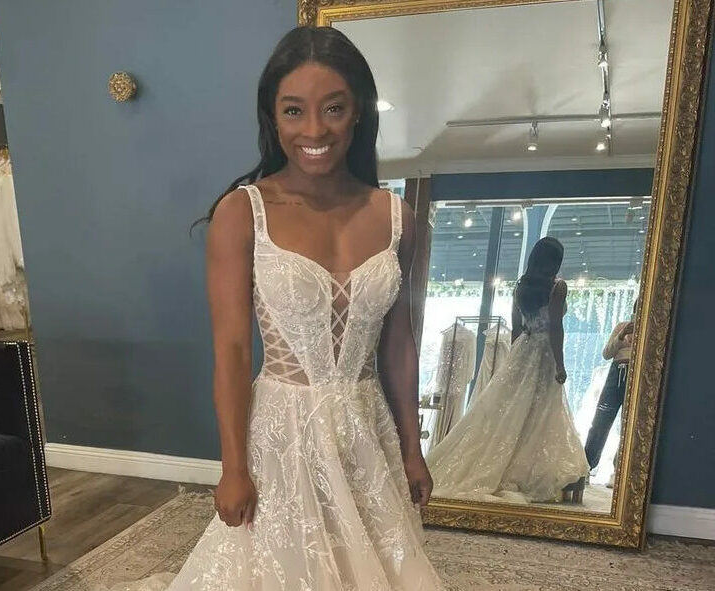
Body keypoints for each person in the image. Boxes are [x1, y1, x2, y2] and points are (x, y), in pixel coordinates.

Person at [108, 26, 442, 590]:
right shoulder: (243, 213)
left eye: (333, 108)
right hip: (282, 432)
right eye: (293, 111)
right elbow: (233, 351)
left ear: (358, 112)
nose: (314, 130)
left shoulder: (396, 217)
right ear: (273, 116)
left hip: (366, 430)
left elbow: (399, 343)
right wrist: (233, 467)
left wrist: (413, 448)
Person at [424, 237, 590, 504]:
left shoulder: (521, 287)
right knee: (540, 410)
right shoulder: (558, 287)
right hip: (545, 351)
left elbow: (516, 328)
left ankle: (509, 465)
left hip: (524, 347)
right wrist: (560, 364)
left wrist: (514, 361)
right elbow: (556, 328)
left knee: (512, 409)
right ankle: (525, 470)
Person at [584, 299, 637, 481]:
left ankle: (619, 471)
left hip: (637, 374)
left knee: (630, 424)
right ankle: (587, 466)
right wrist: (622, 335)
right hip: (617, 372)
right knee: (601, 421)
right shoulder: (622, 326)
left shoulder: (653, 329)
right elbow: (606, 353)